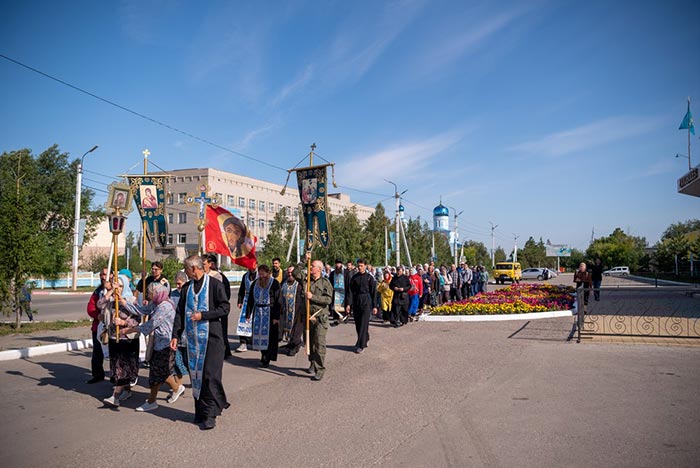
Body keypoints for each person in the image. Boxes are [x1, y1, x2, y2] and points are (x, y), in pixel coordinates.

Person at [171, 255, 230, 430]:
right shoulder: (187, 288)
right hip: (193, 340)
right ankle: (200, 412)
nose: (185, 272)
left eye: (186, 269)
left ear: (194, 269)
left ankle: (211, 414)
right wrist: (175, 335)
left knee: (210, 376)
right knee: (197, 376)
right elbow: (180, 313)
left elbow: (225, 308)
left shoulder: (214, 285)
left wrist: (203, 315)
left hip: (212, 339)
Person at [118, 282, 185, 412]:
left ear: (157, 293)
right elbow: (142, 310)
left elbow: (150, 324)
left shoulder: (164, 306)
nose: (148, 295)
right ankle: (176, 388)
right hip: (158, 343)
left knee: (156, 373)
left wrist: (129, 330)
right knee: (160, 372)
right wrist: (123, 302)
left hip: (166, 343)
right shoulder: (157, 303)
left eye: (149, 293)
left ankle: (152, 401)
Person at [100, 277, 140, 406]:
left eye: (121, 286)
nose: (119, 289)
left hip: (127, 340)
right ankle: (126, 390)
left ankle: (115, 396)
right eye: (116, 286)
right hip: (114, 338)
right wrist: (111, 291)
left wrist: (123, 322)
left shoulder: (131, 301)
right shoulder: (112, 301)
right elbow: (99, 304)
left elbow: (138, 319)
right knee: (117, 367)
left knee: (123, 368)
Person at [245, 264, 282, 368]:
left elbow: (278, 300)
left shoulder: (274, 283)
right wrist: (248, 313)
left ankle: (267, 357)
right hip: (258, 313)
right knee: (259, 336)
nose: (261, 276)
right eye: (260, 274)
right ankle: (263, 355)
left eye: (263, 274)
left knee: (270, 337)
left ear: (268, 273)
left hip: (270, 312)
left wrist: (276, 317)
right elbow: (251, 299)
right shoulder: (255, 284)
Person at [306, 255, 333, 381]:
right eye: (310, 266)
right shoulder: (307, 281)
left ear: (319, 269)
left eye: (312, 266)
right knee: (310, 343)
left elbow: (328, 300)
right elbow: (295, 273)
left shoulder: (325, 283)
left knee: (319, 343)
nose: (310, 268)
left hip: (320, 318)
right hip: (307, 317)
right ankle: (312, 362)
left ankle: (320, 369)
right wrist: (304, 260)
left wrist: (313, 297)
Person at [203, 253, 232, 357]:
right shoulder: (202, 276)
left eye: (204, 264)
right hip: (206, 310)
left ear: (211, 264)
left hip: (218, 309)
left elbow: (224, 294)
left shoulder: (218, 277)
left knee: (220, 331)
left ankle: (224, 351)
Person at [346, 259, 377, 353]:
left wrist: (375, 306)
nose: (360, 267)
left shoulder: (369, 278)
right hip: (356, 301)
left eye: (362, 266)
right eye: (358, 266)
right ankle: (365, 338)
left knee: (364, 323)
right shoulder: (354, 278)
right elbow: (350, 292)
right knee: (358, 324)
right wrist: (348, 304)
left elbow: (374, 292)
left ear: (365, 266)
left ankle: (361, 345)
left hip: (366, 301)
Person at [86, 268, 108, 384]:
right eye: (101, 274)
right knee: (97, 352)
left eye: (105, 274)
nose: (103, 277)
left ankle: (117, 378)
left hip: (113, 327)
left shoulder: (117, 290)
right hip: (98, 327)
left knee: (115, 354)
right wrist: (97, 315)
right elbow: (91, 307)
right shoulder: (97, 292)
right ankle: (98, 374)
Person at [280, 265, 306, 356]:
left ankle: (295, 346)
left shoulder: (300, 283)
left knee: (296, 330)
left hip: (298, 311)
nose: (290, 274)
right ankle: (290, 344)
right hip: (286, 310)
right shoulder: (284, 282)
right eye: (289, 272)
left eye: (292, 272)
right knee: (287, 329)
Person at [170, 271, 189, 381]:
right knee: (176, 357)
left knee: (189, 358)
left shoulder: (189, 292)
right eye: (176, 284)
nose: (178, 286)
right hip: (176, 327)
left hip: (187, 327)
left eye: (180, 284)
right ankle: (178, 384)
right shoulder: (173, 294)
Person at [236, 267, 257, 352]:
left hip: (257, 300)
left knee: (256, 322)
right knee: (244, 321)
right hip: (247, 300)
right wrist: (240, 301)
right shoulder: (245, 276)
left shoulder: (260, 275)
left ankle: (255, 342)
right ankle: (243, 343)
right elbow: (242, 289)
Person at [328, 259, 350, 326]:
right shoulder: (332, 273)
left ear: (341, 264)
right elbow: (330, 283)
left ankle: (344, 318)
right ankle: (336, 320)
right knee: (335, 305)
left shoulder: (346, 273)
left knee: (345, 304)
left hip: (344, 291)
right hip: (336, 293)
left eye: (339, 264)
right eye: (337, 264)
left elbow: (348, 283)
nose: (338, 265)